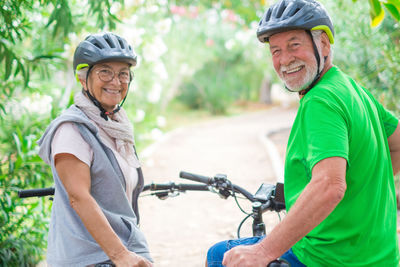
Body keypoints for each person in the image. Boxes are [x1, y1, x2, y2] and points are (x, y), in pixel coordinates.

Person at [206, 0, 400, 266]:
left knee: (220, 255)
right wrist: (359, 190)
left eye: (294, 45)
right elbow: (397, 146)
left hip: (330, 258)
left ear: (324, 45)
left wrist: (263, 251)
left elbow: (330, 185)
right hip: (379, 256)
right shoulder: (351, 89)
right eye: (276, 50)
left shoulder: (320, 101)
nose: (285, 60)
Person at [37, 32, 153, 267]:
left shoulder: (117, 127)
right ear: (83, 78)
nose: (116, 81)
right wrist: (121, 256)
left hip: (121, 248)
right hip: (91, 258)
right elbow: (78, 197)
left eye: (123, 74)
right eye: (105, 72)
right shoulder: (72, 129)